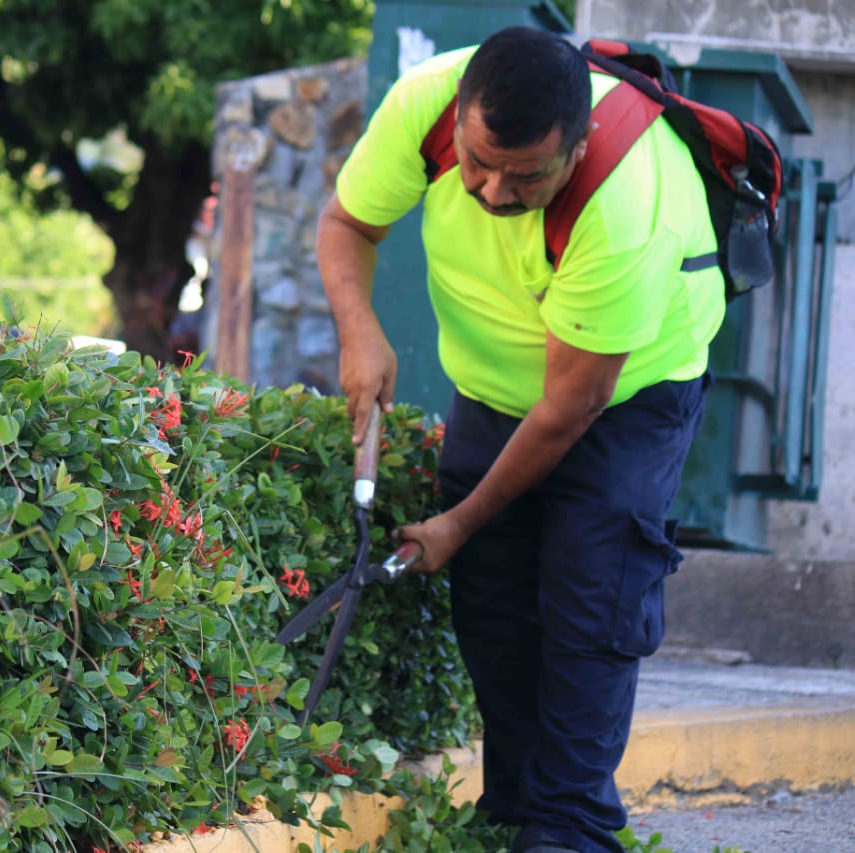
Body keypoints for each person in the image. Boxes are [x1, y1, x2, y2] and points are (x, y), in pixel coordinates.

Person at [317, 26, 725, 853]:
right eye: (476, 163)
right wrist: (362, 332)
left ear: (575, 149)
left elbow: (570, 408)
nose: (494, 192)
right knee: (493, 594)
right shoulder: (424, 105)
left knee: (592, 590)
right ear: (461, 117)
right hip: (495, 385)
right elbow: (346, 224)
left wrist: (459, 520)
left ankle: (571, 827)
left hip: (629, 395)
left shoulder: (625, 194)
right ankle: (511, 807)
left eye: (525, 176)